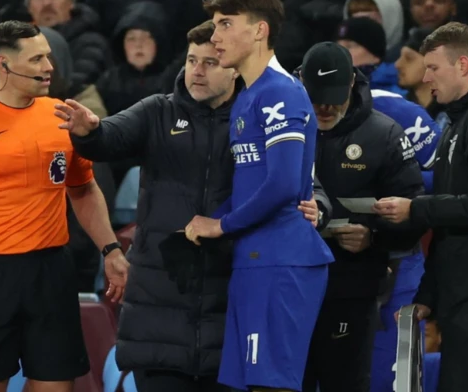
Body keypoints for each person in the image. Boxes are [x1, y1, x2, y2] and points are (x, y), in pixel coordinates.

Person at [54, 19, 326, 392]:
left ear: (232, 70)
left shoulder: (258, 115)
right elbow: (110, 138)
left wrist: (318, 207)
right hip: (160, 309)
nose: (196, 71)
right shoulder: (156, 113)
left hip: (230, 299)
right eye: (191, 60)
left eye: (209, 62)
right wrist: (90, 132)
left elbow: (302, 179)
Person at [0, 20, 129, 392]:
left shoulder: (61, 117)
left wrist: (110, 248)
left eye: (48, 57)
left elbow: (83, 190)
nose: (49, 67)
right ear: (3, 64)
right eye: (37, 59)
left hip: (52, 272)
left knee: (55, 386)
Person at [182, 0, 334, 392]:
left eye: (226, 24)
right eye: (215, 25)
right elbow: (254, 185)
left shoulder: (281, 93)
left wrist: (222, 225)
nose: (215, 37)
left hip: (282, 261)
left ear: (259, 31)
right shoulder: (248, 98)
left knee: (271, 386)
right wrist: (209, 222)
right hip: (254, 260)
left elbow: (283, 184)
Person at [297, 42, 425, 392]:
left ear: (353, 83)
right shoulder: (277, 126)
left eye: (333, 97)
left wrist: (373, 236)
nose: (324, 106)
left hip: (350, 287)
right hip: (286, 287)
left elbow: (415, 212)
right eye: (316, 96)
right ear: (300, 83)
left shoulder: (383, 135)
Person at [374, 22, 468, 392]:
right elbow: (447, 230)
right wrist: (427, 297)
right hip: (458, 298)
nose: (425, 77)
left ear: (462, 64)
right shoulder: (452, 126)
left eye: (433, 67)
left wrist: (415, 209)